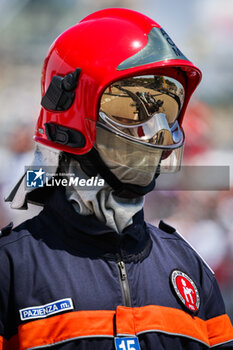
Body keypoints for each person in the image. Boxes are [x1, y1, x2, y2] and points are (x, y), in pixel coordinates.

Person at [0, 8, 232, 350]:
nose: (157, 134)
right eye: (131, 108)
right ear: (74, 113)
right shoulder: (10, 269)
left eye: (166, 110)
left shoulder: (188, 265)